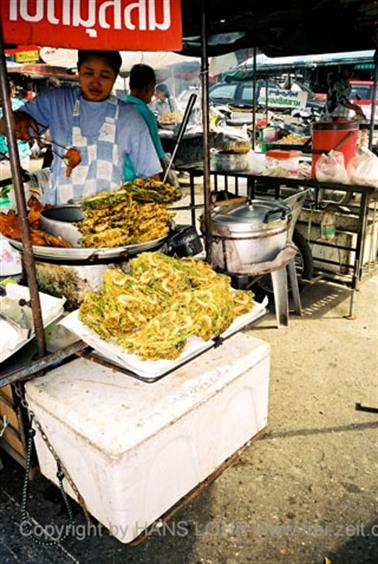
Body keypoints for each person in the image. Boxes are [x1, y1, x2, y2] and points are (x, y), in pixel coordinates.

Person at [0, 50, 162, 205]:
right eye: (88, 73)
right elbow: (5, 126)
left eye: (104, 75)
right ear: (78, 69)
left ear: (114, 77)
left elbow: (151, 175)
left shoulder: (130, 117)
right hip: (57, 213)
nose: (95, 82)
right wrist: (16, 119)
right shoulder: (56, 100)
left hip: (108, 221)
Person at [0, 81, 31, 179]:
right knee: (21, 186)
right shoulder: (21, 105)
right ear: (12, 91)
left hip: (6, 155)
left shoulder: (20, 105)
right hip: (21, 153)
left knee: (7, 189)